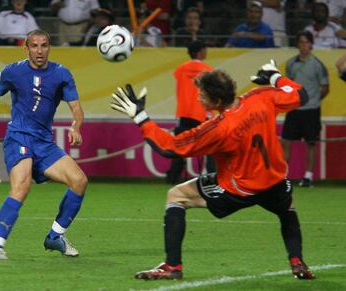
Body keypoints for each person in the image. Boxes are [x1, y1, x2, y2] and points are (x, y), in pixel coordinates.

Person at [110, 59, 315, 280]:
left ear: (217, 101)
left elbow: (170, 148)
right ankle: (297, 262)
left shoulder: (218, 128)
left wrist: (140, 117)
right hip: (275, 181)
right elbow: (300, 94)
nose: (198, 97)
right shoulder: (261, 97)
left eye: (202, 95)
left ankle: (172, 266)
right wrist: (274, 75)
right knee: (287, 209)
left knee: (176, 195)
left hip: (240, 189)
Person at [0, 29, 88, 259]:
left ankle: (55, 237)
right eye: (34, 46)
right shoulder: (13, 71)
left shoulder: (61, 74)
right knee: (21, 187)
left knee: (79, 181)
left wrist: (76, 126)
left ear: (49, 47)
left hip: (43, 142)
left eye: (44, 45)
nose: (39, 51)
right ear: (26, 48)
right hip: (19, 136)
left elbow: (77, 108)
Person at [281, 31, 329, 188]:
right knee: (286, 141)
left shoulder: (317, 64)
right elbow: (287, 85)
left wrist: (313, 100)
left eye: (306, 42)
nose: (303, 45)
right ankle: (283, 177)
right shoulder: (291, 63)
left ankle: (308, 177)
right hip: (294, 109)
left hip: (311, 110)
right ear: (297, 45)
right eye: (300, 42)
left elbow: (325, 87)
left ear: (311, 45)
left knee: (311, 143)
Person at [166, 40, 215, 184]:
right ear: (200, 51)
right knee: (211, 148)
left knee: (180, 147)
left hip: (184, 113)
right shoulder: (208, 70)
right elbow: (210, 93)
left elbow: (179, 88)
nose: (207, 52)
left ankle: (172, 177)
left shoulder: (180, 70)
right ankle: (213, 176)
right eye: (205, 49)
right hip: (201, 113)